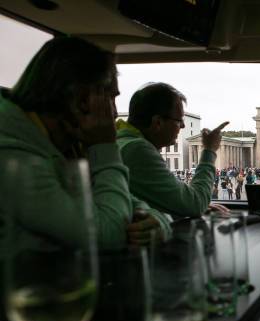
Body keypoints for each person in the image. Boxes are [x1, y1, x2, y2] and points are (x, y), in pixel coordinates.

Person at [0, 37, 169, 252]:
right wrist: (105, 146)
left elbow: (126, 203)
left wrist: (157, 222)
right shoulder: (13, 154)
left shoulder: (65, 146)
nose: (115, 113)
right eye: (111, 98)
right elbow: (109, 234)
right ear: (82, 99)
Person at [116, 82, 229, 218]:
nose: (182, 126)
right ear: (157, 123)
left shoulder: (123, 144)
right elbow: (195, 204)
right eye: (179, 120)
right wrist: (209, 151)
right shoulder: (137, 150)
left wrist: (179, 207)